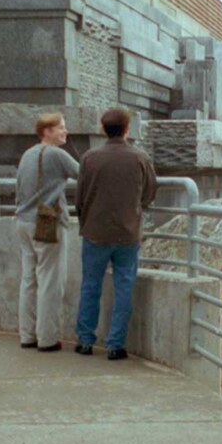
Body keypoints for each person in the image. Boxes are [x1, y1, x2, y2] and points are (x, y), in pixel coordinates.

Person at [73, 108, 157, 360]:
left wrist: (85, 222)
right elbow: (150, 192)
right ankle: (115, 345)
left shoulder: (89, 158)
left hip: (95, 232)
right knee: (124, 288)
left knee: (90, 286)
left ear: (103, 129)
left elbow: (79, 197)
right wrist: (135, 210)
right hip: (127, 233)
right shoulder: (140, 158)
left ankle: (85, 340)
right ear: (127, 129)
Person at [15, 113, 78, 352]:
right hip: (47, 220)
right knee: (50, 280)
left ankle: (27, 335)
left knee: (29, 279)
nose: (66, 132)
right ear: (47, 131)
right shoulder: (56, 154)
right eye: (61, 128)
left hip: (23, 220)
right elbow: (84, 174)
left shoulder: (27, 154)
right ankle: (47, 339)